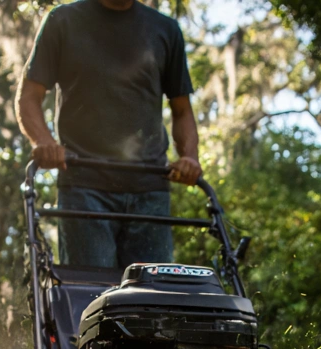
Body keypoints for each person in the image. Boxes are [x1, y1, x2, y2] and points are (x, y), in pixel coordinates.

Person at [16, 0, 201, 270]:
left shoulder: (165, 29)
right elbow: (28, 97)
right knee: (90, 295)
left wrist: (190, 158)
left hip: (149, 190)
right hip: (84, 186)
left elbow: (182, 111)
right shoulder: (63, 21)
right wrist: (44, 141)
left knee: (152, 300)